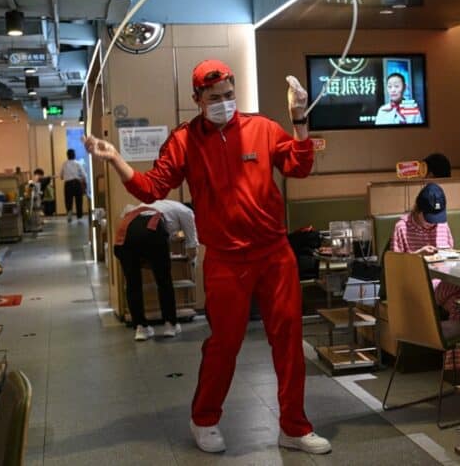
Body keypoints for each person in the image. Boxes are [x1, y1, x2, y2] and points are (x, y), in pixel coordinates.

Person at [83, 59, 331, 455]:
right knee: (223, 344)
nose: (224, 103)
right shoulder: (184, 141)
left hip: (273, 253)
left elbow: (300, 166)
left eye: (229, 96)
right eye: (214, 98)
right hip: (226, 261)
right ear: (197, 99)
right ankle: (204, 418)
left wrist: (299, 116)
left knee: (288, 341)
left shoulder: (262, 129)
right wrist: (114, 158)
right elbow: (150, 189)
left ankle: (294, 426)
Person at [390, 182, 460, 369]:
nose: (434, 222)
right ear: (418, 211)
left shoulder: (442, 224)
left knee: (459, 301)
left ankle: (455, 364)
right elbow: (395, 268)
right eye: (429, 218)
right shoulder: (401, 227)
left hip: (443, 283)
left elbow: (450, 252)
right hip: (419, 286)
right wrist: (418, 254)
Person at [114, 200, 198, 341]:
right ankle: (170, 325)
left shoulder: (159, 204)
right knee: (163, 281)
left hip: (126, 233)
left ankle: (141, 328)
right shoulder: (188, 212)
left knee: (133, 284)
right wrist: (191, 262)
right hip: (152, 229)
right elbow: (192, 247)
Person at [59, 149, 87, 222]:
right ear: (74, 155)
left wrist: (65, 176)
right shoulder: (78, 163)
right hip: (77, 183)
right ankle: (79, 216)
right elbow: (84, 175)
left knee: (68, 200)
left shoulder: (64, 164)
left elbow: (61, 176)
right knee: (79, 200)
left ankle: (69, 213)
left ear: (67, 155)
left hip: (68, 184)